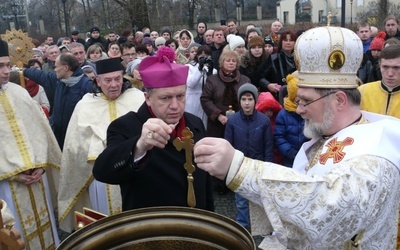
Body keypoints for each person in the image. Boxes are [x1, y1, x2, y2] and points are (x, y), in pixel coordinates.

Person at [193, 26, 400, 249]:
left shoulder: (376, 155)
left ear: (339, 100)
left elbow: (325, 206)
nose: (298, 110)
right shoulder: (325, 137)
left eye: (305, 100)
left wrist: (238, 168)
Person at [93, 46, 214, 212]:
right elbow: (102, 171)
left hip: (197, 225)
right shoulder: (125, 127)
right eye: (165, 98)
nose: (175, 106)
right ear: (147, 98)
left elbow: (205, 183)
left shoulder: (195, 123)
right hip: (152, 228)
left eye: (180, 96)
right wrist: (139, 146)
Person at [58, 58, 145, 233]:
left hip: (135, 171)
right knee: (106, 227)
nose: (114, 85)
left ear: (123, 77)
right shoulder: (84, 104)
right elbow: (73, 145)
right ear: (97, 80)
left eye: (118, 79)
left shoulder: (138, 98)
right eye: (107, 80)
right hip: (99, 178)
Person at [0, 38, 62, 249]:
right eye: (0, 66)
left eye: (8, 65)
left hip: (35, 179)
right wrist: (15, 173)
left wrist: (41, 166)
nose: (7, 71)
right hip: (6, 185)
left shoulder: (19, 92)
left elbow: (40, 132)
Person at [224, 83, 274, 231]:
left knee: (259, 198)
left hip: (257, 165)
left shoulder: (263, 121)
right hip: (239, 166)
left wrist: (268, 168)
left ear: (255, 101)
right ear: (239, 101)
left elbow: (268, 146)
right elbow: (228, 145)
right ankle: (243, 226)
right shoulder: (233, 121)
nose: (247, 103)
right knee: (241, 200)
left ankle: (262, 227)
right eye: (244, 99)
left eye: (250, 99)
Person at [23, 52, 93, 149]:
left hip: (76, 141)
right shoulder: (58, 80)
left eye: (56, 67)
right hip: (58, 136)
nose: (54, 69)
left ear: (66, 68)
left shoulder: (87, 86)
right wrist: (23, 71)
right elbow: (39, 75)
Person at [201, 49, 250, 138]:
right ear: (222, 62)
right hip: (217, 125)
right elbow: (205, 100)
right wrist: (218, 115)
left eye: (234, 61)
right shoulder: (212, 80)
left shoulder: (245, 80)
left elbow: (250, 100)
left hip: (240, 123)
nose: (231, 63)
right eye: (228, 60)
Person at [274, 72, 308, 168]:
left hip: (307, 157)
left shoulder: (309, 110)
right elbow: (279, 137)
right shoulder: (283, 115)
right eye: (297, 100)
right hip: (289, 158)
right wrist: (290, 152)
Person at [359, 44, 400, 118]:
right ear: (379, 65)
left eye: (396, 67)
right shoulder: (362, 91)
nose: (390, 74)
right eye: (385, 67)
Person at [185, 45, 215, 128]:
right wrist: (200, 69)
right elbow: (190, 83)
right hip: (192, 101)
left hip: (206, 102)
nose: (204, 58)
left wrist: (210, 72)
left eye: (206, 56)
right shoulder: (189, 67)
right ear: (197, 56)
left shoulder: (213, 70)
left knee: (204, 127)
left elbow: (212, 87)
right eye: (202, 56)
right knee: (191, 125)